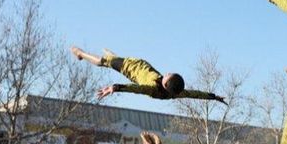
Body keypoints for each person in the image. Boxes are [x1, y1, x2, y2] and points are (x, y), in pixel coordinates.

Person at [70, 47, 226, 103]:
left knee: (101, 62)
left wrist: (115, 87)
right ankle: (112, 55)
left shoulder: (152, 88)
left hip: (128, 67)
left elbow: (136, 89)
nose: (167, 72)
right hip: (138, 64)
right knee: (110, 58)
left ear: (165, 84)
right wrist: (213, 97)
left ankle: (80, 54)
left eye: (168, 75)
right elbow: (194, 94)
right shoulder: (175, 93)